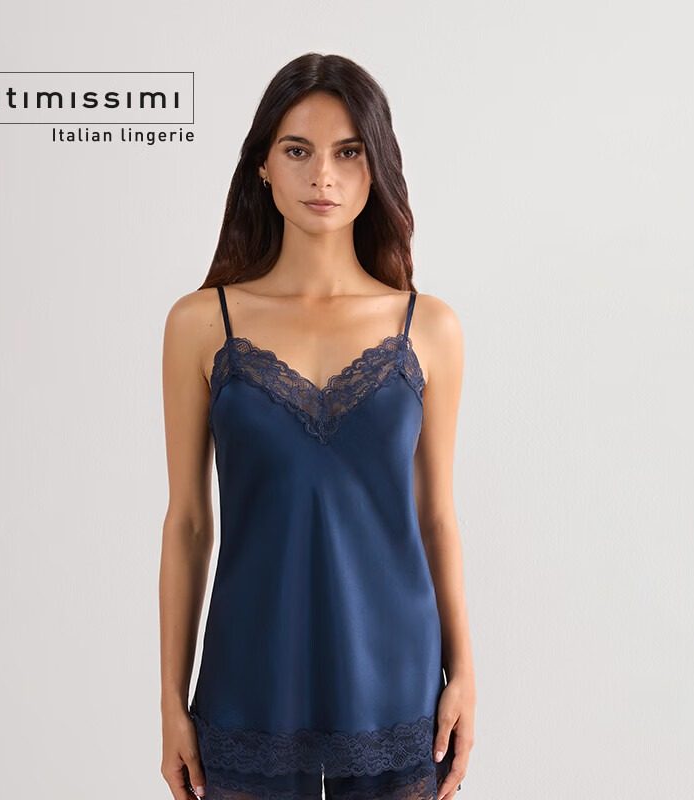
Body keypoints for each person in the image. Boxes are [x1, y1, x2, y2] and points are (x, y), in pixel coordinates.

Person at [159, 53, 475, 800]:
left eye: (348, 152)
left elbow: (436, 514)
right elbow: (190, 523)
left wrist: (463, 671)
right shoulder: (202, 323)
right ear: (263, 166)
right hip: (250, 675)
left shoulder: (429, 327)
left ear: (376, 167)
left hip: (397, 677)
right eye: (298, 151)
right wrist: (170, 699)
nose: (322, 176)